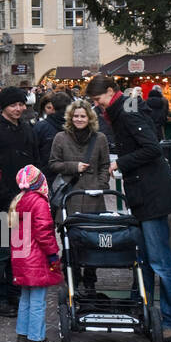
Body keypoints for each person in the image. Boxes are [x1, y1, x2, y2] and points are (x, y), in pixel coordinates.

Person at [86, 76, 171, 342]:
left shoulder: (127, 112)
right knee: (146, 261)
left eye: (98, 100)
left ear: (110, 92)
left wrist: (121, 164)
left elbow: (151, 149)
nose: (98, 106)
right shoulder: (123, 111)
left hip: (151, 195)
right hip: (143, 194)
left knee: (160, 262)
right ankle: (142, 309)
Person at [0, 86, 39, 317]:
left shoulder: (26, 128)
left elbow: (34, 160)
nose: (19, 109)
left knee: (20, 250)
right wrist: (2, 193)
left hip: (24, 198)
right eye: (14, 105)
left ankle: (14, 291)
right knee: (1, 251)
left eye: (21, 104)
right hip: (1, 200)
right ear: (4, 106)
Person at [48, 98, 110, 294]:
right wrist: (73, 167)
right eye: (76, 116)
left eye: (83, 116)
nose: (79, 119)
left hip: (94, 196)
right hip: (71, 195)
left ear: (89, 117)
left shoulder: (99, 138)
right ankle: (73, 275)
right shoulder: (61, 137)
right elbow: (53, 163)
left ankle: (90, 276)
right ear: (70, 117)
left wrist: (100, 185)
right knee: (70, 238)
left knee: (93, 238)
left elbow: (105, 165)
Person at [9, 164, 62, 342]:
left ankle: (22, 334)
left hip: (22, 259)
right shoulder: (39, 202)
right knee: (38, 301)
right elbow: (44, 233)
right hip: (37, 259)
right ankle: (36, 337)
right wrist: (53, 255)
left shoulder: (19, 200)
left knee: (25, 298)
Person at [34, 91, 71, 189]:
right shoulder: (75, 125)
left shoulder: (40, 127)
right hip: (66, 176)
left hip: (47, 176)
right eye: (48, 107)